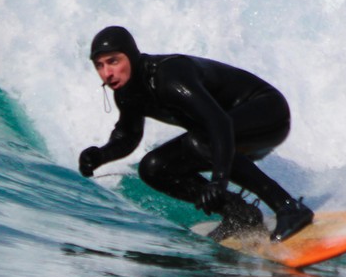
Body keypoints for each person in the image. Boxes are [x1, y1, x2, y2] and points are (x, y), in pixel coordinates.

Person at [78, 25, 313, 242]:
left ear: (130, 55)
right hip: (226, 132)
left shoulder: (168, 78)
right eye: (99, 65)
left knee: (202, 139)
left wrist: (218, 181)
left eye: (113, 61)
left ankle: (289, 207)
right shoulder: (127, 93)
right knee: (153, 167)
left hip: (269, 112)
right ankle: (239, 214)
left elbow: (219, 123)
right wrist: (101, 156)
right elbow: (128, 136)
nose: (107, 73)